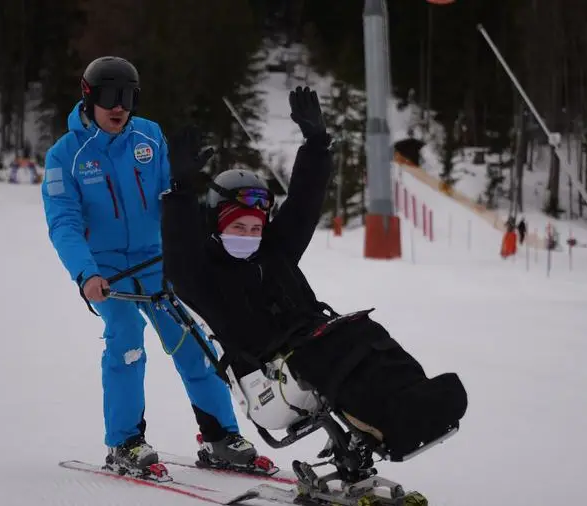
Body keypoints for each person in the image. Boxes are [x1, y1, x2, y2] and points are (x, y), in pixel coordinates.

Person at [160, 86, 468, 459]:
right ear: (214, 227)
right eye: (237, 228)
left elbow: (304, 202)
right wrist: (178, 191)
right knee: (333, 352)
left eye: (256, 228)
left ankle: (415, 399)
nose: (249, 236)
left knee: (365, 333)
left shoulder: (276, 252)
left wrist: (317, 143)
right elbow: (178, 255)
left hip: (307, 349)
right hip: (265, 379)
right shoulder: (203, 274)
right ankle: (389, 422)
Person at [40, 56, 262, 474]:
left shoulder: (150, 137)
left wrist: (182, 184)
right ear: (88, 97)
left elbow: (171, 201)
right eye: (108, 96)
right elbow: (64, 223)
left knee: (194, 345)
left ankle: (220, 438)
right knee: (126, 340)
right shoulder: (65, 156)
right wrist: (86, 273)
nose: (118, 106)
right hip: (106, 271)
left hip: (156, 261)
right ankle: (125, 442)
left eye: (127, 96)